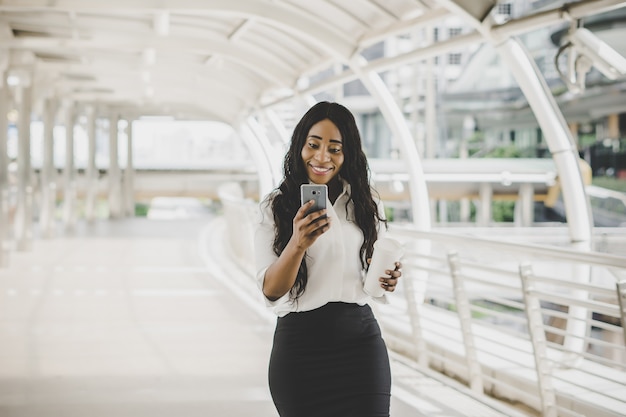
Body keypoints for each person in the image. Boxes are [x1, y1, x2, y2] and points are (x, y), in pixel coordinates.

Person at [254, 101, 402, 417]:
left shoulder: (366, 202)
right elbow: (270, 290)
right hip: (301, 350)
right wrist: (297, 243)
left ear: (347, 155)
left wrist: (385, 278)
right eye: (314, 145)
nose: (322, 157)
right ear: (299, 147)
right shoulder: (275, 207)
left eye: (335, 149)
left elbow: (369, 278)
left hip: (360, 345)